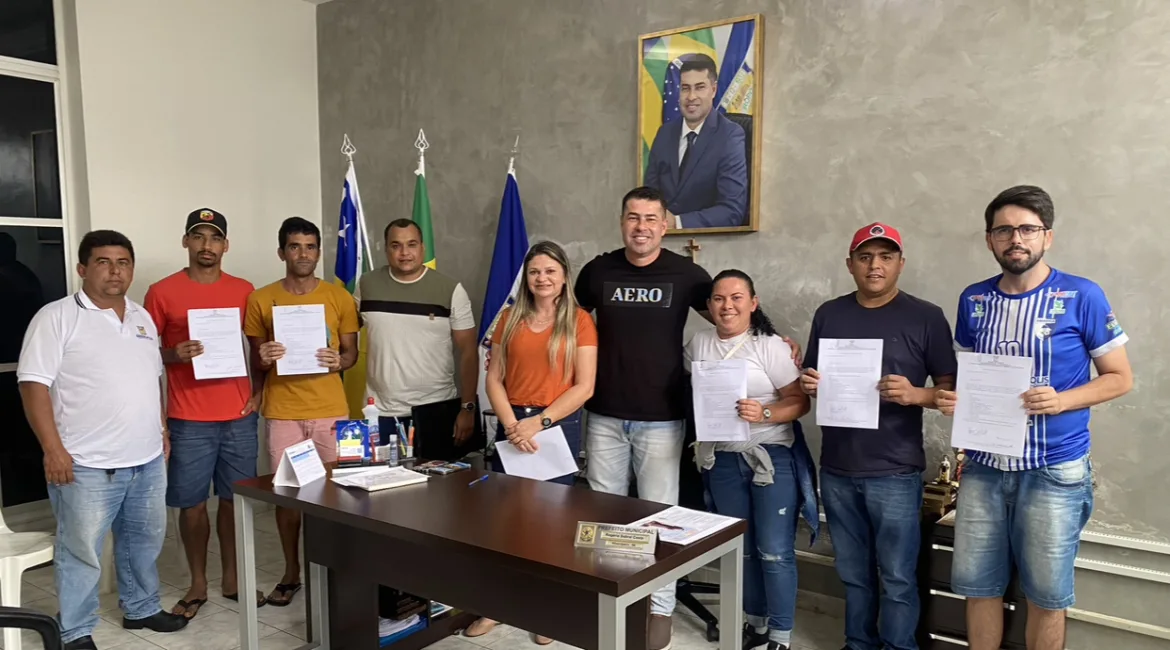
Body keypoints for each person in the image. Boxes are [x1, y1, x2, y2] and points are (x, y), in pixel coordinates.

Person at [574, 186, 799, 650]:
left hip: (662, 419)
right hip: (603, 415)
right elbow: (570, 325)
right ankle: (607, 600)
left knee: (660, 519)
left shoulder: (687, 274)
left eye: (650, 218)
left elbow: (730, 315)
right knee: (605, 516)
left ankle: (659, 608)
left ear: (664, 225)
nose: (641, 227)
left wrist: (776, 341)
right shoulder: (597, 271)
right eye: (633, 217)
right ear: (622, 222)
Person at [936, 186, 1133, 650]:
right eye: (1004, 230)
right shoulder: (974, 299)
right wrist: (955, 399)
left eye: (1027, 229)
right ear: (989, 239)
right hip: (983, 468)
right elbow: (973, 377)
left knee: (1046, 597)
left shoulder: (1082, 295)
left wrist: (1061, 401)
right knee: (978, 588)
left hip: (1053, 470)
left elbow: (1120, 378)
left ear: (1048, 236)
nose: (1016, 239)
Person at [17, 230, 188, 650]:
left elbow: (152, 377)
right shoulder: (56, 317)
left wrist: (162, 429)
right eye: (103, 262)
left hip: (146, 459)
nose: (115, 271)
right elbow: (33, 385)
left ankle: (141, 607)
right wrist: (53, 450)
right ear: (82, 268)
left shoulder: (141, 317)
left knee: (143, 543)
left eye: (123, 262)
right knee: (81, 552)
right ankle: (74, 629)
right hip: (85, 464)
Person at [799, 223, 956, 650]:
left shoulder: (926, 316)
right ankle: (858, 643)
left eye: (886, 257)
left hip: (895, 470)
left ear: (900, 264)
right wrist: (810, 383)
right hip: (837, 467)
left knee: (898, 576)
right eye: (865, 257)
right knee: (853, 573)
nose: (875, 265)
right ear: (850, 264)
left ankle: (899, 645)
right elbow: (812, 376)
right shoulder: (829, 314)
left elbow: (950, 393)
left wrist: (915, 394)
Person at [466, 241, 598, 643]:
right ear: (526, 278)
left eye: (550, 271)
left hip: (555, 425)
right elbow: (494, 378)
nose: (542, 278)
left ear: (564, 277)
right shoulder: (509, 318)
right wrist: (512, 425)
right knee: (506, 521)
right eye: (535, 271)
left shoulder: (579, 321)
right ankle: (498, 604)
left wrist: (538, 423)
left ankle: (546, 609)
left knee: (551, 523)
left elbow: (585, 386)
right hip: (512, 424)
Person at [685, 270, 817, 650]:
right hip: (723, 460)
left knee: (773, 550)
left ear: (753, 303)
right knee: (740, 550)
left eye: (736, 298)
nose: (727, 306)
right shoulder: (699, 343)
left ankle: (780, 634)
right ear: (709, 305)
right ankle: (755, 624)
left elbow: (800, 402)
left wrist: (765, 414)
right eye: (719, 298)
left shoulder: (770, 346)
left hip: (770, 457)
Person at [143, 208, 263, 618]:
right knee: (192, 504)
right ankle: (197, 582)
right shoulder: (162, 292)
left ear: (225, 245)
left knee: (234, 501)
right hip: (188, 417)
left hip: (239, 415)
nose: (206, 245)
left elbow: (258, 347)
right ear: (186, 242)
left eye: (214, 238)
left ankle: (232, 578)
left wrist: (258, 392)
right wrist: (172, 354)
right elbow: (141, 351)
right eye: (198, 236)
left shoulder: (244, 290)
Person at [244, 216, 359, 607]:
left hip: (330, 410)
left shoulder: (339, 297)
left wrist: (339, 361)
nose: (303, 254)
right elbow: (256, 360)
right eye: (295, 246)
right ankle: (291, 572)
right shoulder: (261, 299)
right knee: (289, 496)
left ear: (319, 252)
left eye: (310, 247)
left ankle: (336, 569)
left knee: (336, 495)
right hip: (283, 412)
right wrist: (263, 356)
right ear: (282, 252)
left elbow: (351, 354)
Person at [356, 218, 477, 445]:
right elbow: (344, 329)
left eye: (411, 244)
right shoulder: (366, 284)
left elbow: (469, 352)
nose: (404, 253)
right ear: (386, 249)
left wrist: (468, 408)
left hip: (435, 410)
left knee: (436, 470)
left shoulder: (451, 289)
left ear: (423, 248)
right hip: (380, 413)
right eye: (396, 245)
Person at [643, 53, 749, 229]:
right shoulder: (664, 134)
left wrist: (677, 223)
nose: (691, 96)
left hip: (708, 241)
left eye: (700, 87)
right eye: (685, 88)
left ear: (713, 90)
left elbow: (732, 211)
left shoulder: (730, 136)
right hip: (660, 239)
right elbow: (649, 196)